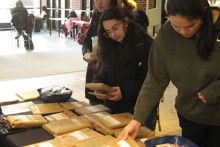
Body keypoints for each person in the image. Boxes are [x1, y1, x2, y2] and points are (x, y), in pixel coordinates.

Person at [119, 0, 220, 146]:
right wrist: (137, 119)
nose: (184, 32)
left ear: (203, 12)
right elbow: (154, 81)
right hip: (190, 116)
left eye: (190, 25)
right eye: (176, 26)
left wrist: (215, 91)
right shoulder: (166, 34)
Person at [91, 6, 157, 131]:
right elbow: (100, 70)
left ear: (125, 21)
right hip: (115, 109)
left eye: (115, 28)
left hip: (140, 111)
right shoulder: (107, 43)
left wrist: (125, 91)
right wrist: (98, 86)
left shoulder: (143, 43)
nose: (113, 34)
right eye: (108, 32)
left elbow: (151, 81)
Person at [82, 0, 118, 105]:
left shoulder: (119, 18)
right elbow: (86, 42)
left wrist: (103, 56)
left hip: (111, 78)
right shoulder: (96, 16)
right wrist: (85, 54)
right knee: (94, 108)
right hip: (94, 73)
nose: (99, 2)